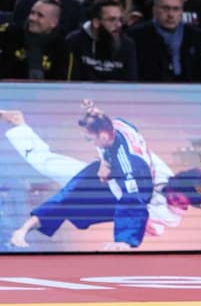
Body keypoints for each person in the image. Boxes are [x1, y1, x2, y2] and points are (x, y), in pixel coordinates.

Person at [1, 108, 201, 241]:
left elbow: (142, 220)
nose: (180, 205)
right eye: (180, 198)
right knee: (44, 163)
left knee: (64, 196)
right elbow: (121, 141)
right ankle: (19, 124)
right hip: (96, 179)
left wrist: (146, 228)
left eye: (185, 204)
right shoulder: (158, 171)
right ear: (176, 184)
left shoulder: (172, 217)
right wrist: (105, 164)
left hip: (101, 197)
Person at [7, 102, 153, 250]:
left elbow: (133, 200)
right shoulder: (115, 126)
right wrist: (104, 161)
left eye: (90, 139)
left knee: (64, 186)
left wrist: (123, 242)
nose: (90, 143)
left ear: (102, 136)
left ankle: (18, 124)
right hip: (113, 176)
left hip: (136, 185)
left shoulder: (128, 166)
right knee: (62, 183)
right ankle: (23, 230)